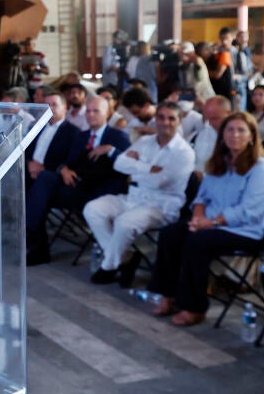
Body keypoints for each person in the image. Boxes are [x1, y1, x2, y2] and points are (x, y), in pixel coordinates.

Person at [147, 112, 264, 326]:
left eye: (241, 130)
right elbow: (202, 197)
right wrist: (198, 217)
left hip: (244, 230)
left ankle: (194, 307)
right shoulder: (219, 162)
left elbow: (249, 210)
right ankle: (168, 296)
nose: (234, 134)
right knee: (171, 233)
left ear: (252, 136)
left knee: (197, 242)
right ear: (222, 135)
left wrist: (212, 222)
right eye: (230, 130)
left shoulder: (260, 168)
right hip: (210, 223)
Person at [83, 102, 194, 286]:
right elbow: (119, 164)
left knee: (124, 222)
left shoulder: (184, 152)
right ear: (155, 119)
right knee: (92, 209)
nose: (165, 122)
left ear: (179, 121)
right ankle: (126, 257)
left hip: (160, 206)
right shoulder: (145, 141)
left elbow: (160, 181)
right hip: (133, 197)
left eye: (171, 118)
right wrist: (149, 168)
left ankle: (108, 266)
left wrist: (134, 168)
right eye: (161, 117)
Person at [25, 96, 132, 265]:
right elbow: (68, 160)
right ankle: (35, 240)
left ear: (107, 113)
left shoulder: (117, 136)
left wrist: (110, 150)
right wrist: (63, 169)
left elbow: (129, 165)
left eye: (96, 111)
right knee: (41, 184)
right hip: (76, 184)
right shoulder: (82, 136)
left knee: (40, 193)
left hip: (100, 190)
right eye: (88, 111)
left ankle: (32, 235)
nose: (90, 115)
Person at [191, 96, 229, 175]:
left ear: (228, 113)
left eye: (215, 118)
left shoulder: (237, 137)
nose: (210, 123)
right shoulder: (201, 134)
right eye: (208, 119)